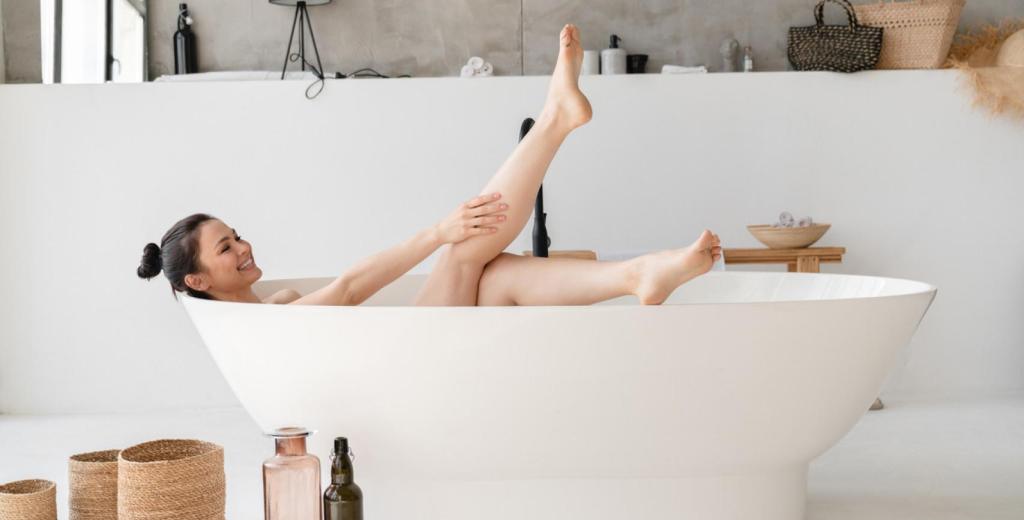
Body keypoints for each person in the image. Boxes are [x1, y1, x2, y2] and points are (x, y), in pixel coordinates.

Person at [137, 25, 722, 307]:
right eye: (224, 249)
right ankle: (554, 121)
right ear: (198, 281)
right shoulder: (261, 326)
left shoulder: (276, 307)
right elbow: (350, 284)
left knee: (501, 276)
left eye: (234, 235)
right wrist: (436, 231)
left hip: (418, 360)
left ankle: (637, 273)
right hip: (409, 363)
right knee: (462, 248)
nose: (242, 246)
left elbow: (347, 286)